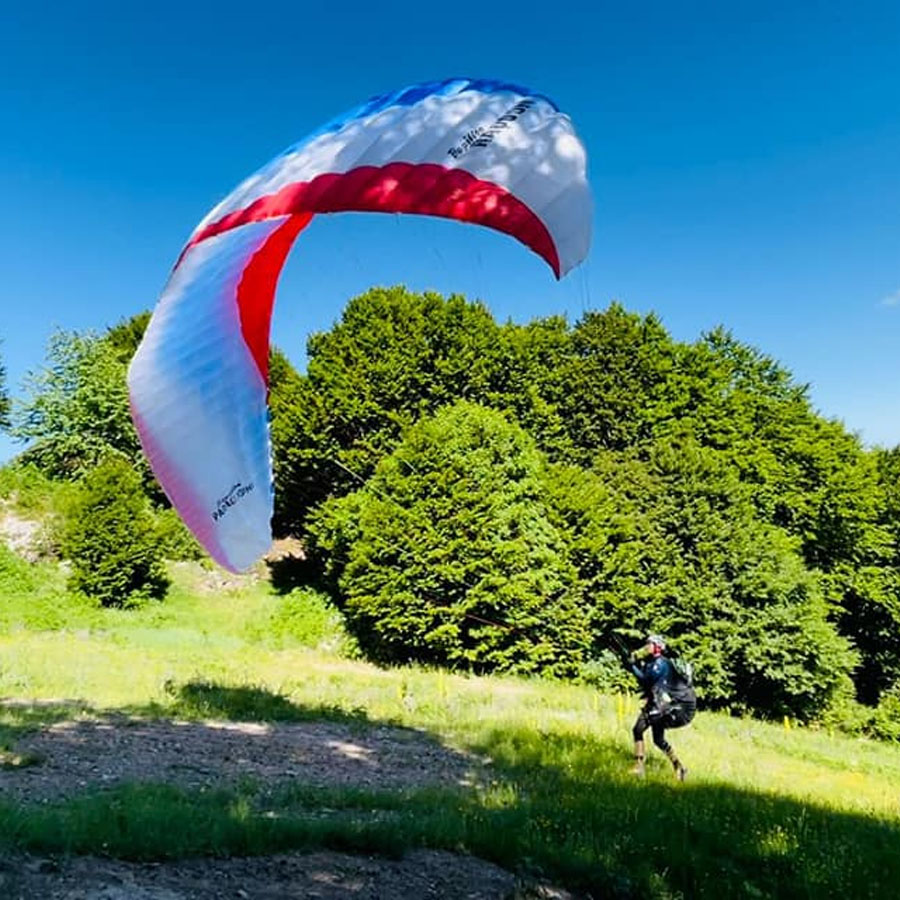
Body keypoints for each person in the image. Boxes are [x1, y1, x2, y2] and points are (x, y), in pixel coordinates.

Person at [625, 634, 695, 781]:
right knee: (657, 739)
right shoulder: (651, 662)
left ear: (657, 647)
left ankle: (639, 766)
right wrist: (633, 665)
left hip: (675, 706)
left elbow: (645, 680)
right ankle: (679, 767)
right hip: (664, 703)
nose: (646, 646)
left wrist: (632, 667)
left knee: (638, 729)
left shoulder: (661, 664)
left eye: (649, 644)